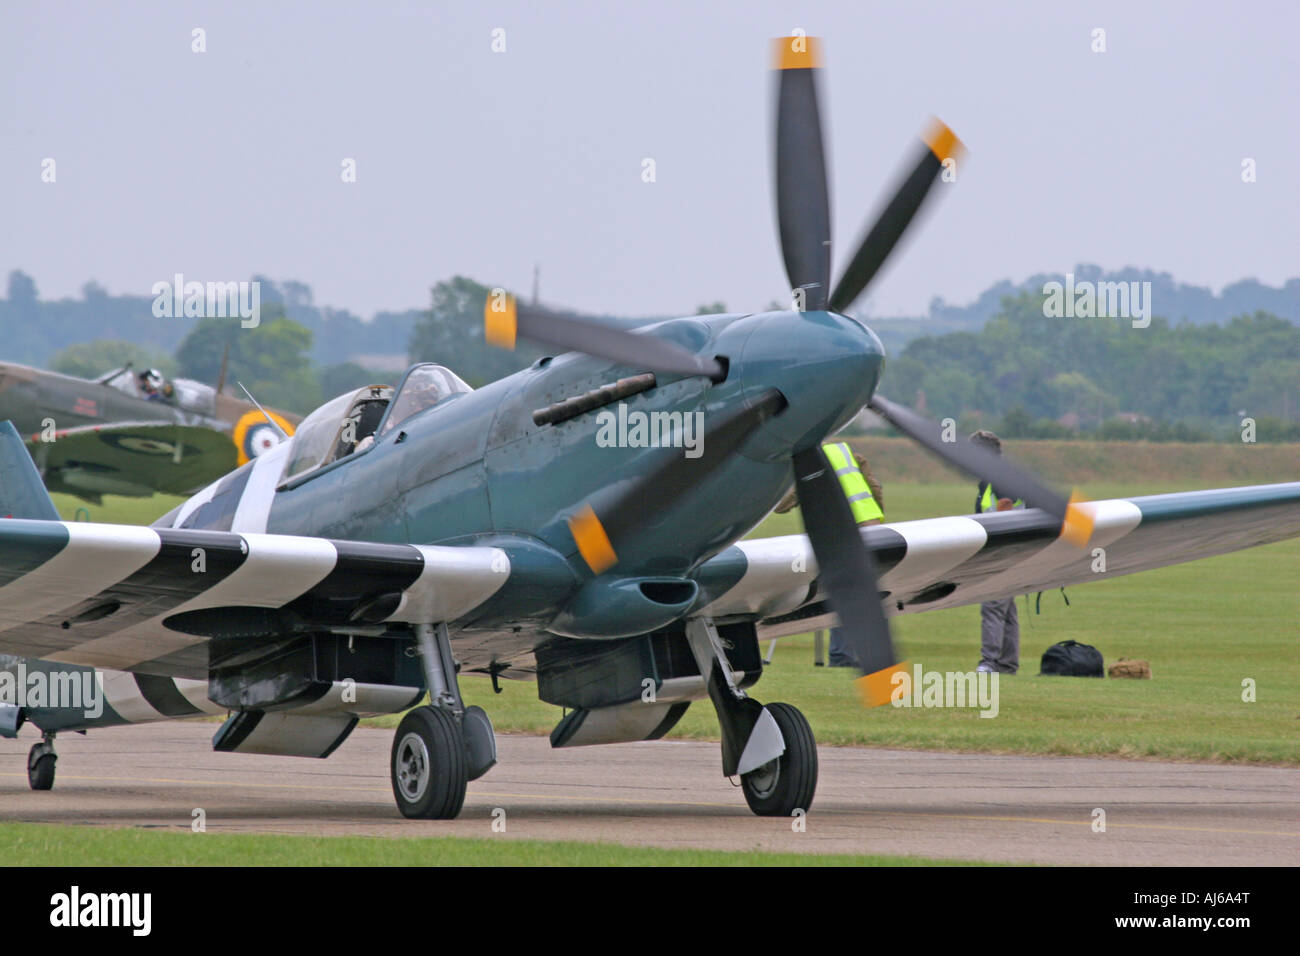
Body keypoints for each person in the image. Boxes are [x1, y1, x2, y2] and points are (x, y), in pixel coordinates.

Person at [775, 440, 884, 667]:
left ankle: (840, 654)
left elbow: (782, 505)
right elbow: (875, 488)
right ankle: (849, 653)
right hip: (867, 527)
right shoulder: (848, 452)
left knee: (842, 591)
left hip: (834, 533)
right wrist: (875, 520)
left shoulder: (808, 458)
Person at [970, 429, 1023, 674]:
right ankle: (1007, 663)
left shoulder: (1000, 476)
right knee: (1007, 610)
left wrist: (995, 539)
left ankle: (989, 662)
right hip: (1012, 551)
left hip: (1003, 551)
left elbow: (1005, 505)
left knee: (992, 605)